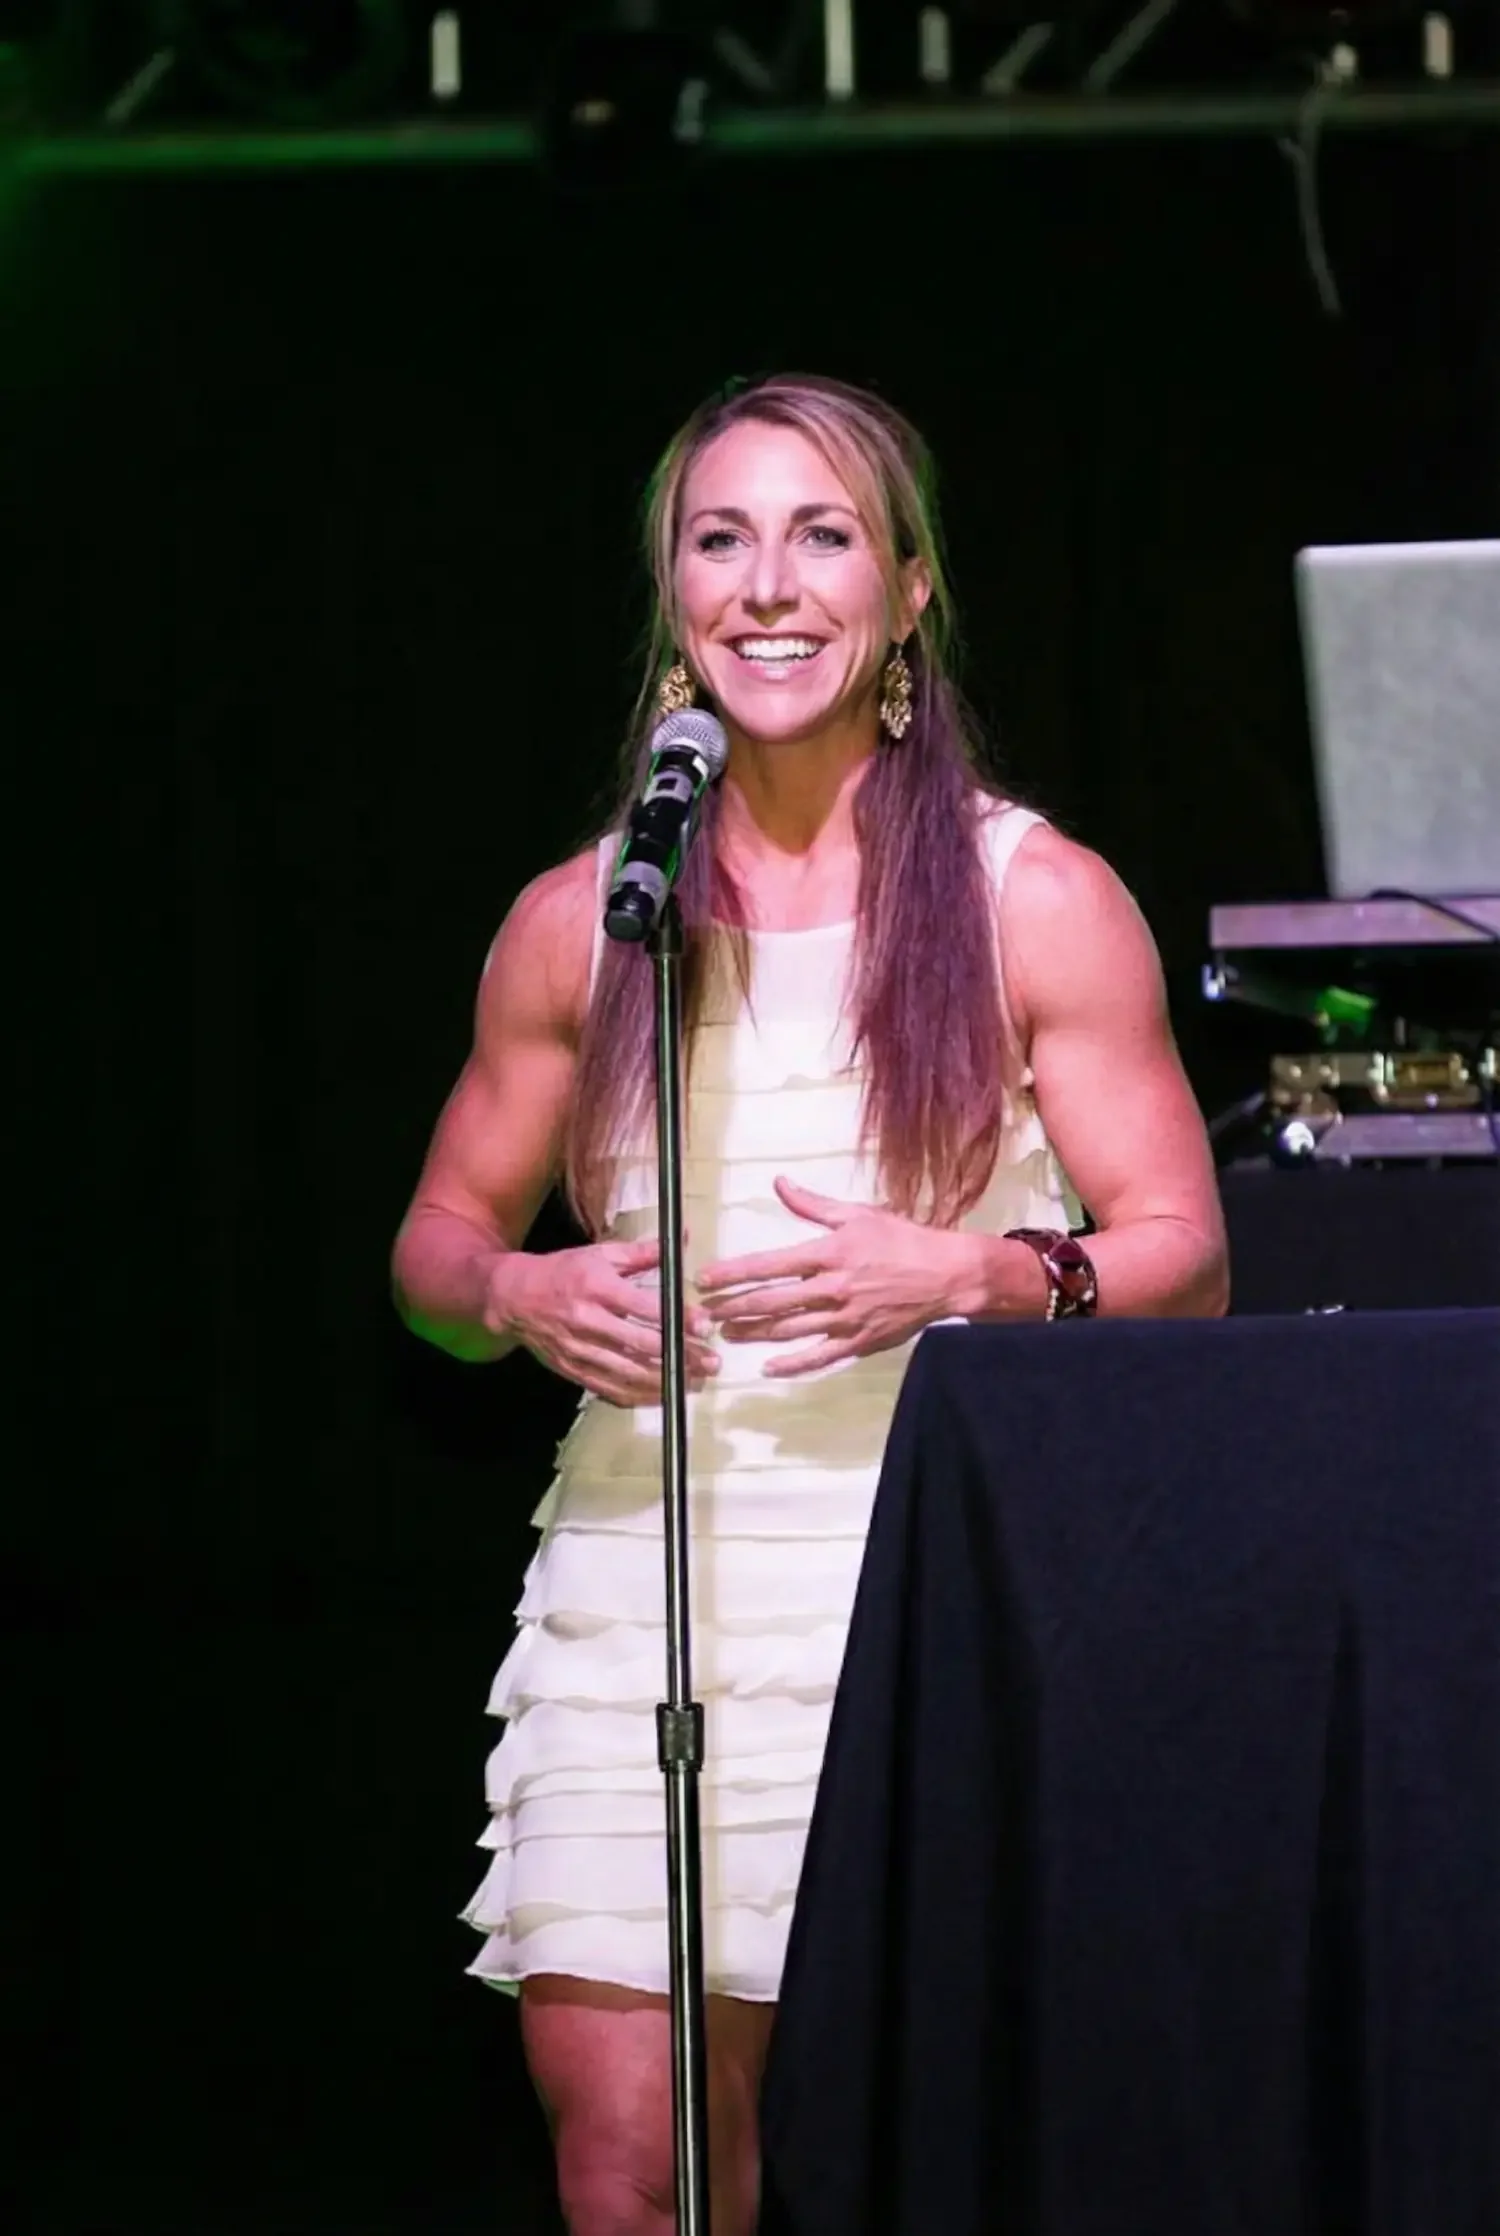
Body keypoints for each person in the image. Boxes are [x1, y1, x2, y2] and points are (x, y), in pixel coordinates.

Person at [392, 371, 1228, 2236]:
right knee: (627, 2164)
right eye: (722, 537)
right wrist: (519, 1290)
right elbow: (435, 1254)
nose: (770, 583)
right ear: (674, 593)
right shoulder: (581, 920)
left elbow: (1185, 1247)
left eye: (825, 533)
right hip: (646, 1595)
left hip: (934, 1583)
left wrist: (987, 1272)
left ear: (911, 589)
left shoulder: (1036, 898)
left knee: (943, 2154)